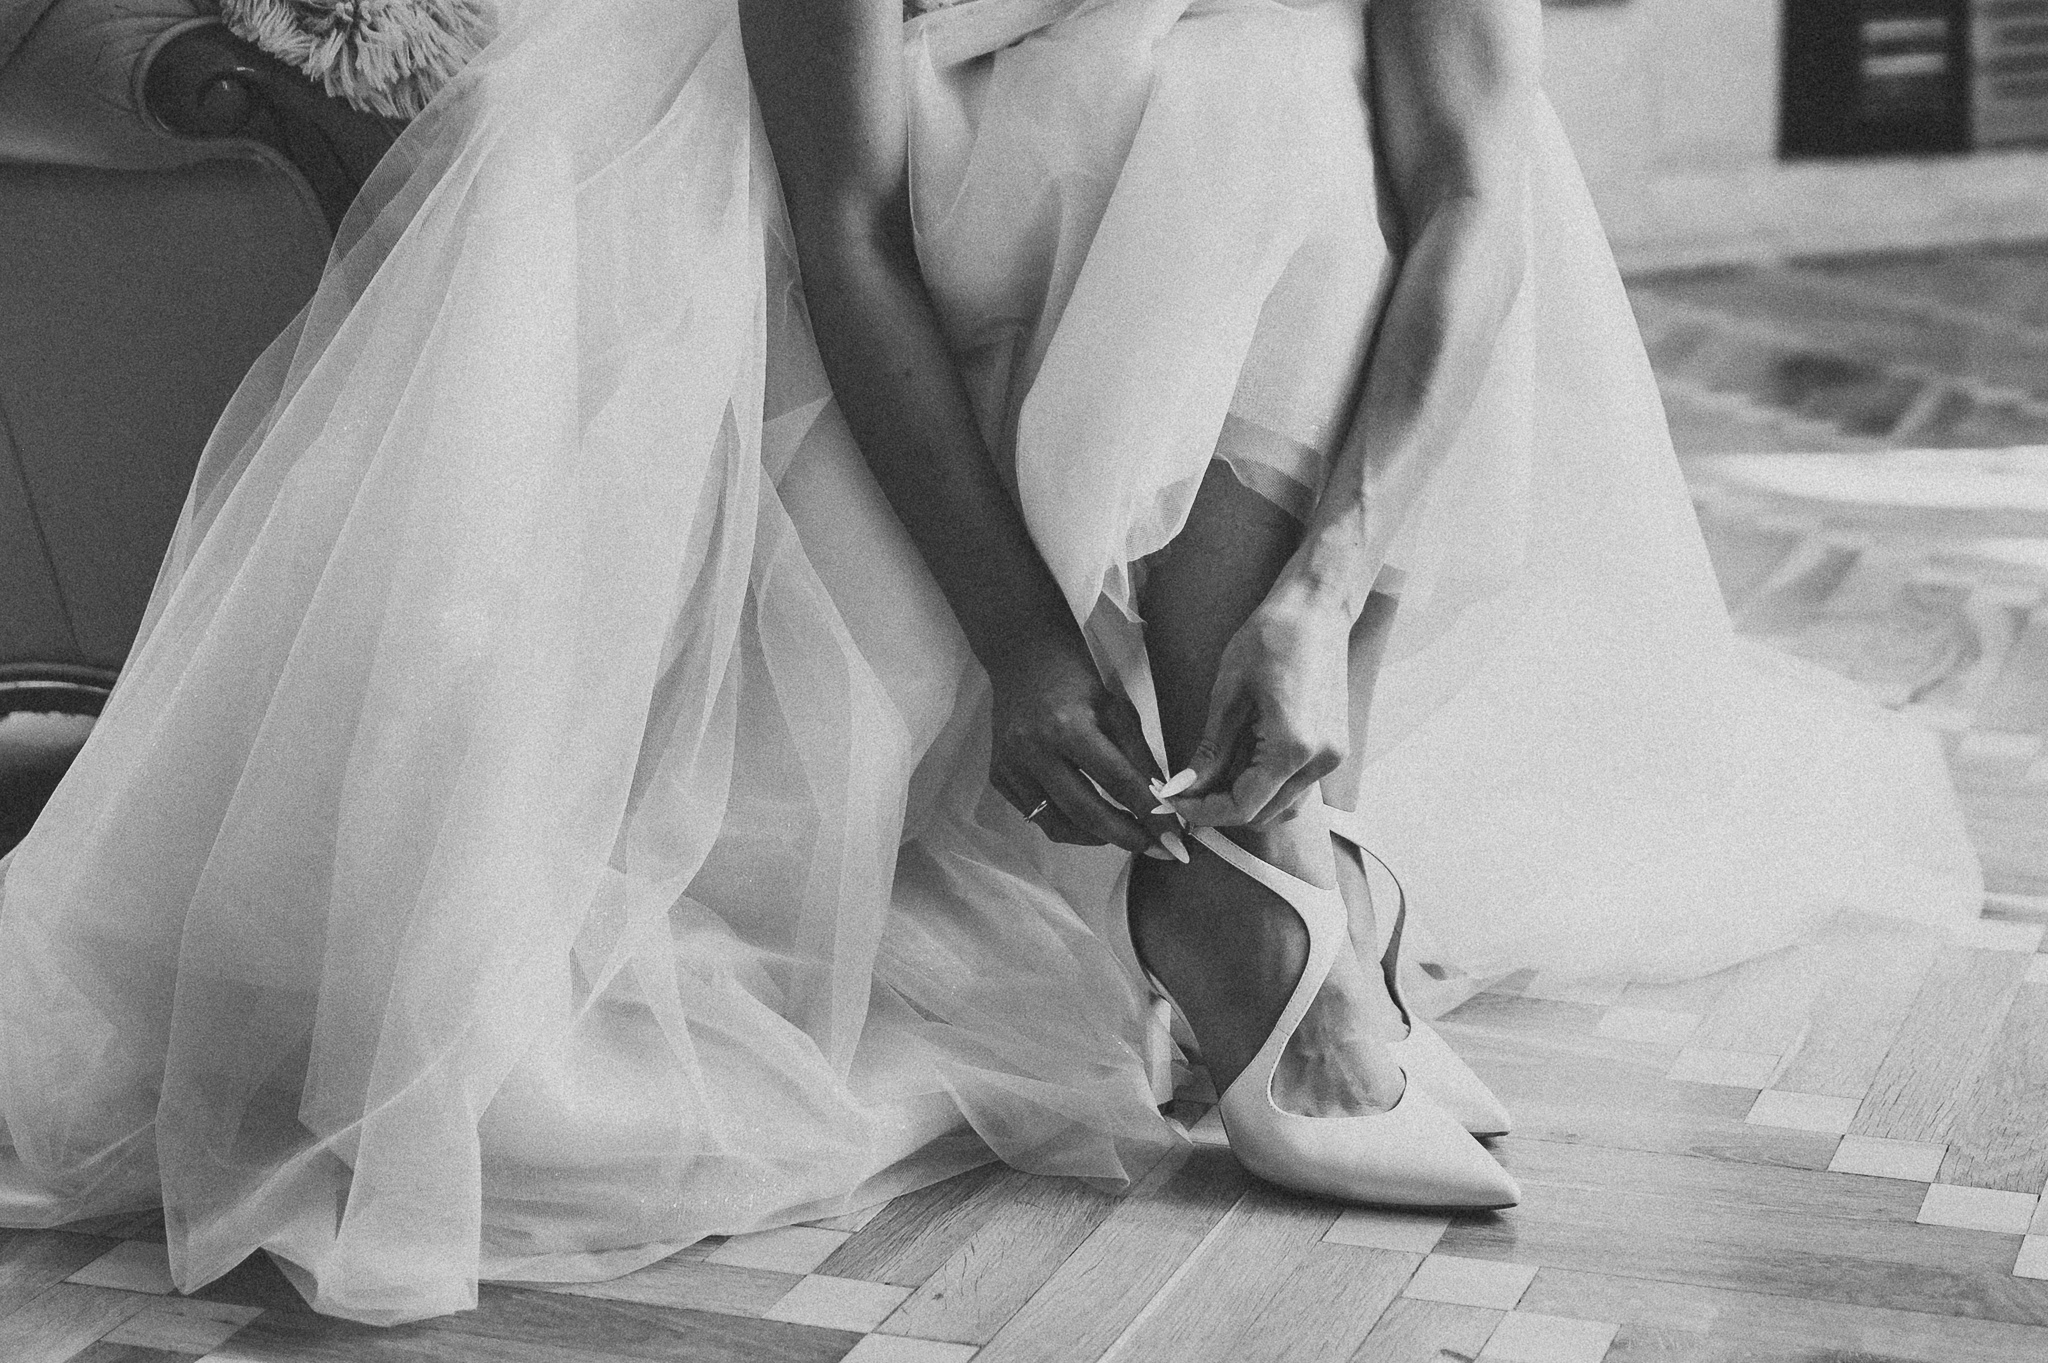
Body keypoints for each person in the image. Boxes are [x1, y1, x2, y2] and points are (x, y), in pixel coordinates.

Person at [0, 0, 1980, 1326]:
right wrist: (1027, 654)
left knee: (1300, 102)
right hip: (853, 300)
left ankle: (1253, 869)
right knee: (1253, 100)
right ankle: (1269, 906)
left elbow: (1470, 192)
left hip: (1187, 269)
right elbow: (852, 228)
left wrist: (1320, 595)